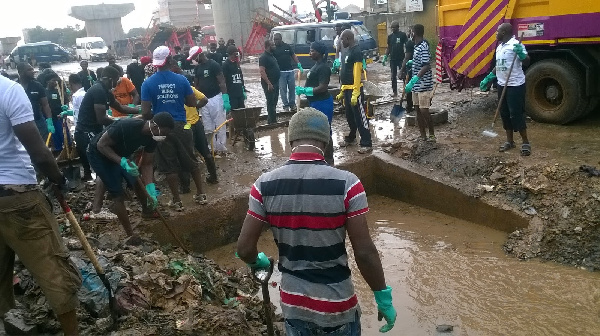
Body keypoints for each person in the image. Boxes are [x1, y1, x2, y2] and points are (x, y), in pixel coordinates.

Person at [236, 109, 397, 336]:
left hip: (294, 308)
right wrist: (382, 295)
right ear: (326, 140)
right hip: (338, 307)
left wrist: (257, 262)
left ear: (291, 139)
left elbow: (244, 249)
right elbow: (364, 253)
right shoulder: (348, 185)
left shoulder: (263, 185)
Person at [0, 75, 82, 335]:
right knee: (54, 269)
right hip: (16, 196)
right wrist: (58, 179)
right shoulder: (8, 90)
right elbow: (38, 152)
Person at [88, 112, 175, 244]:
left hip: (120, 153)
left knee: (135, 179)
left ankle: (147, 211)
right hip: (98, 153)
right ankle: (130, 234)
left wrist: (150, 189)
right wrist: (121, 161)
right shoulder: (127, 125)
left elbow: (147, 163)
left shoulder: (152, 137)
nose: (164, 137)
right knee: (117, 193)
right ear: (156, 126)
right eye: (164, 133)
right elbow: (101, 145)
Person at [142, 46, 207, 211]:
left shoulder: (147, 83)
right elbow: (192, 103)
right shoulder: (182, 80)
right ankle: (201, 194)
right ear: (170, 60)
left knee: (168, 165)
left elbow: (144, 112)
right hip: (183, 125)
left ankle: (177, 201)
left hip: (160, 129)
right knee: (191, 159)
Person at [75, 65, 139, 218]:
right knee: (102, 167)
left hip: (94, 131)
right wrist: (120, 123)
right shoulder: (98, 91)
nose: (116, 84)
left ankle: (99, 206)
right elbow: (102, 118)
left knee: (104, 167)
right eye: (116, 81)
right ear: (109, 79)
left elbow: (120, 107)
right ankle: (97, 209)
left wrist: (140, 110)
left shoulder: (105, 91)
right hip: (86, 133)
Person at [481, 23, 531, 156]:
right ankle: (510, 141)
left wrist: (521, 54)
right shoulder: (499, 47)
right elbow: (498, 65)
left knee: (516, 113)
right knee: (504, 113)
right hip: (502, 84)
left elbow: (526, 61)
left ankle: (525, 142)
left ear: (503, 32)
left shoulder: (515, 45)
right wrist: (489, 77)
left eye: (497, 31)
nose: (496, 34)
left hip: (515, 85)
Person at [171, 65, 218, 185]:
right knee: (205, 152)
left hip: (185, 126)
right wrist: (195, 107)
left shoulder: (173, 93)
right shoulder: (190, 88)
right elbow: (205, 99)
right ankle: (213, 177)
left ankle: (185, 186)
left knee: (184, 155)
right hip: (197, 124)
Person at [295, 41, 334, 165]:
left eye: (312, 51)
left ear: (320, 53)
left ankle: (329, 159)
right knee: (317, 130)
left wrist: (307, 90)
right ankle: (320, 156)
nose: (309, 53)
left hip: (322, 103)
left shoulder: (324, 67)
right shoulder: (316, 65)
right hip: (315, 103)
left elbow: (323, 87)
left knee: (325, 130)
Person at [336, 29, 373, 154]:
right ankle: (352, 137)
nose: (341, 41)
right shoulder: (347, 51)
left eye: (342, 39)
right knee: (349, 116)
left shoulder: (356, 51)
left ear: (348, 38)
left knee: (360, 117)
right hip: (347, 89)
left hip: (354, 90)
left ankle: (366, 142)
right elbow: (346, 71)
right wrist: (343, 90)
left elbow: (357, 73)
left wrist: (356, 91)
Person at [191, 46, 230, 155]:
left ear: (200, 54)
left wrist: (225, 97)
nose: (194, 59)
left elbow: (222, 81)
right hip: (204, 101)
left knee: (220, 124)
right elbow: (196, 86)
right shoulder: (197, 68)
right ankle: (211, 148)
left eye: (195, 57)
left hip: (216, 98)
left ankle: (221, 147)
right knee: (208, 127)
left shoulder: (214, 65)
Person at [404, 24, 435, 142]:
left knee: (424, 110)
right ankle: (423, 136)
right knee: (417, 110)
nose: (410, 34)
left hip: (424, 85)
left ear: (414, 33)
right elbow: (421, 61)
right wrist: (413, 62)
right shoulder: (416, 46)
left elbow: (426, 65)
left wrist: (415, 79)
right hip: (416, 86)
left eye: (411, 32)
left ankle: (432, 134)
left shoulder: (423, 46)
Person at [17, 62, 53, 141]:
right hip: (21, 123)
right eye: (29, 70)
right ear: (20, 72)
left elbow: (45, 104)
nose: (33, 71)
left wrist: (49, 120)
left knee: (43, 144)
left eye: (33, 69)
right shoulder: (14, 87)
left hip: (38, 121)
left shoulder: (37, 86)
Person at [65, 74, 91, 181]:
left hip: (82, 128)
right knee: (84, 152)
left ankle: (88, 173)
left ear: (71, 85)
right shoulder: (81, 94)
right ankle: (88, 173)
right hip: (82, 127)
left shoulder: (78, 96)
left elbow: (82, 112)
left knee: (84, 153)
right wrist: (67, 112)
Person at [273, 33, 303, 113]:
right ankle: (285, 105)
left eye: (277, 39)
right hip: (280, 72)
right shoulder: (273, 49)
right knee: (283, 90)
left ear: (281, 39)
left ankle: (292, 104)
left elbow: (293, 56)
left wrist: (298, 64)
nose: (275, 41)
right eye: (274, 39)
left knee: (292, 88)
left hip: (290, 71)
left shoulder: (287, 46)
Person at [45, 71, 71, 152]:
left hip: (60, 116)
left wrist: (66, 107)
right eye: (53, 81)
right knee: (54, 135)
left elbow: (66, 100)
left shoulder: (59, 91)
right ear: (47, 81)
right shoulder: (44, 92)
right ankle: (58, 150)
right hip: (50, 117)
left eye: (56, 81)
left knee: (64, 133)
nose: (55, 83)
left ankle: (68, 149)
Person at [382, 21, 408, 97]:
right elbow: (389, 47)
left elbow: (407, 45)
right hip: (392, 59)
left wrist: (407, 56)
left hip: (401, 59)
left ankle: (406, 91)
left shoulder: (402, 35)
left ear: (398, 27)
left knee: (403, 74)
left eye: (394, 27)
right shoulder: (390, 37)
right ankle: (395, 92)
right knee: (393, 76)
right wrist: (385, 56)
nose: (393, 29)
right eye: (392, 27)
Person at [259, 40, 280, 124]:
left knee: (274, 101)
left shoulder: (272, 56)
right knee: (270, 102)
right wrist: (268, 83)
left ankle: (271, 119)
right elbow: (262, 71)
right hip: (269, 83)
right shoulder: (263, 57)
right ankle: (272, 122)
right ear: (268, 46)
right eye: (273, 45)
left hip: (275, 82)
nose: (275, 46)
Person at [222, 45, 246, 110]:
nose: (237, 56)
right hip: (232, 95)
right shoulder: (225, 65)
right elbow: (223, 81)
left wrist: (243, 89)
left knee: (242, 112)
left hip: (240, 93)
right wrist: (225, 96)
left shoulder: (237, 63)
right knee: (234, 113)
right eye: (235, 54)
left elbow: (241, 77)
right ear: (231, 54)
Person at [400, 26, 415, 112]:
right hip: (420, 69)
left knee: (408, 87)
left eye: (410, 32)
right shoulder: (424, 42)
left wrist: (402, 69)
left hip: (410, 69)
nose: (409, 34)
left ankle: (409, 106)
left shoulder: (409, 44)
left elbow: (406, 57)